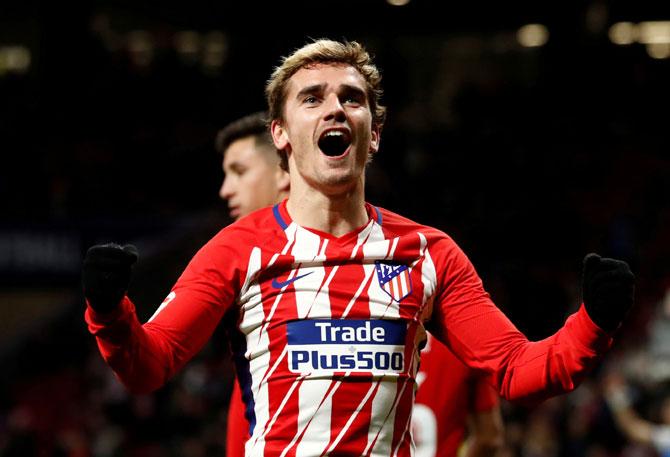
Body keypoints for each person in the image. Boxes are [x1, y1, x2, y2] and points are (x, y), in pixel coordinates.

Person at [82, 39, 635, 457]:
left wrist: (593, 321)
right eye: (313, 98)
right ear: (281, 132)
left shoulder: (429, 253)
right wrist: (110, 313)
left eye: (352, 98)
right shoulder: (237, 250)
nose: (335, 109)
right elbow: (149, 365)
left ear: (372, 134)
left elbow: (518, 369)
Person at [216, 114, 503, 457]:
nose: (226, 189)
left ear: (284, 169)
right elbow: (490, 438)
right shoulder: (425, 310)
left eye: (239, 171)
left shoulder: (296, 302)